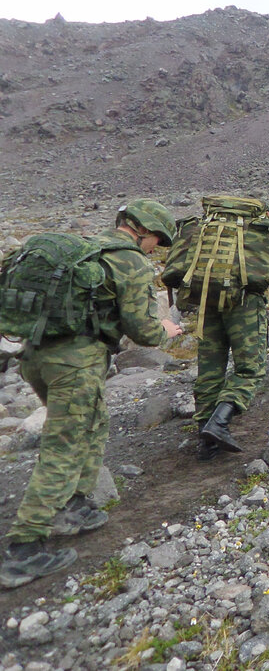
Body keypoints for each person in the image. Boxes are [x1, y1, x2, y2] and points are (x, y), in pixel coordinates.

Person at [0, 199, 183, 588]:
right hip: (75, 364)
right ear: (144, 232)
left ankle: (76, 504)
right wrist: (165, 330)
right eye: (157, 241)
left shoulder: (83, 248)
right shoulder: (130, 261)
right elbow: (142, 330)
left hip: (34, 356)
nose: (155, 249)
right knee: (64, 444)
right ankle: (24, 548)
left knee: (93, 423)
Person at [186, 199, 269, 460]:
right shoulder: (264, 231)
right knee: (251, 368)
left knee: (210, 369)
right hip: (245, 304)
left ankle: (206, 439)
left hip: (207, 300)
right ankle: (220, 421)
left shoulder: (209, 227)